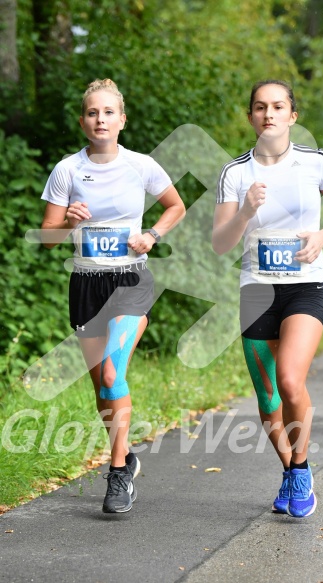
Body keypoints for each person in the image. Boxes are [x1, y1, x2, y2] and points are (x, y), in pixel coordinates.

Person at [213, 80, 323, 518]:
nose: (269, 114)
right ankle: (292, 470)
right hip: (256, 291)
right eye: (260, 107)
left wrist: (322, 236)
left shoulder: (315, 163)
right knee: (267, 398)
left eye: (278, 106)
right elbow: (220, 243)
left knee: (290, 381)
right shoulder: (236, 173)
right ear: (251, 117)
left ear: (292, 115)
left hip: (305, 286)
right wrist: (244, 211)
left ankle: (300, 466)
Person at [40, 79, 186, 513]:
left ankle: (118, 472)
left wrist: (153, 235)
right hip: (86, 285)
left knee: (111, 374)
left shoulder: (141, 165)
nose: (99, 119)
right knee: (102, 393)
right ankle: (125, 453)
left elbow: (175, 205)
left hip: (129, 282)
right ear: (83, 121)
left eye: (108, 112)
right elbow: (48, 239)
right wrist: (68, 220)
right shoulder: (67, 170)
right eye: (91, 113)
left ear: (122, 119)